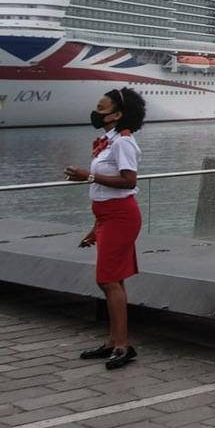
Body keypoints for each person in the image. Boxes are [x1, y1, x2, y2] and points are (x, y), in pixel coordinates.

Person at [67, 88, 147, 371]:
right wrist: (95, 226)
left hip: (121, 217)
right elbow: (103, 192)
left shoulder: (123, 143)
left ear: (117, 114)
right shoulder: (107, 141)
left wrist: (86, 175)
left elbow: (128, 181)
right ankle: (114, 342)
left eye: (101, 108)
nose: (96, 112)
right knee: (114, 279)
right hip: (106, 216)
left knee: (108, 279)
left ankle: (122, 345)